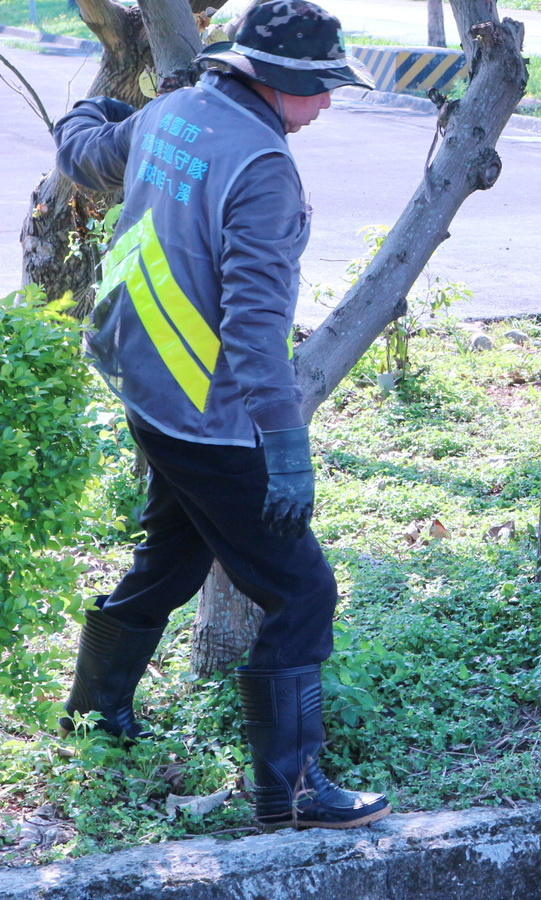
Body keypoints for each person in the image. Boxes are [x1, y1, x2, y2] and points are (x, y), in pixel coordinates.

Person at [53, 0, 391, 830]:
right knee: (304, 591)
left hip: (142, 384)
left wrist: (81, 113)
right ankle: (294, 789)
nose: (327, 107)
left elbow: (92, 153)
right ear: (280, 84)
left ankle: (93, 715)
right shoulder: (266, 170)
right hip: (207, 416)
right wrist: (287, 454)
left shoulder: (175, 109)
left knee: (172, 555)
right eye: (322, 92)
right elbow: (252, 330)